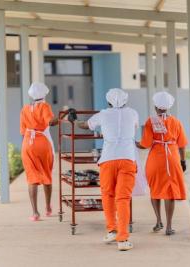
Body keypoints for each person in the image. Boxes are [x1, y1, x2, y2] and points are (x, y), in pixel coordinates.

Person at [77, 88, 139, 251]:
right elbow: (134, 128)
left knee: (108, 194)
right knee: (123, 198)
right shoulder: (133, 113)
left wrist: (73, 120)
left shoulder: (103, 114)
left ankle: (112, 230)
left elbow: (85, 125)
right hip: (127, 158)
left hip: (108, 159)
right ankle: (123, 240)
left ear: (108, 101)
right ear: (126, 101)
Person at [136, 91, 188, 235]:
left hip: (156, 159)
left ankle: (158, 221)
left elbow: (145, 144)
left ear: (155, 107)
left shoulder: (150, 121)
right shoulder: (176, 122)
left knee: (155, 189)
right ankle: (169, 227)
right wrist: (183, 161)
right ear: (168, 106)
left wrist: (133, 143)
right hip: (172, 159)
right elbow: (182, 144)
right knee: (170, 192)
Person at [20, 82, 64, 221]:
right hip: (42, 143)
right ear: (44, 94)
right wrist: (63, 115)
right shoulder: (45, 106)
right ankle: (48, 208)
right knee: (46, 174)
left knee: (32, 178)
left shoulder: (25, 109)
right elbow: (51, 122)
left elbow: (22, 131)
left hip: (27, 144)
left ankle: (35, 213)